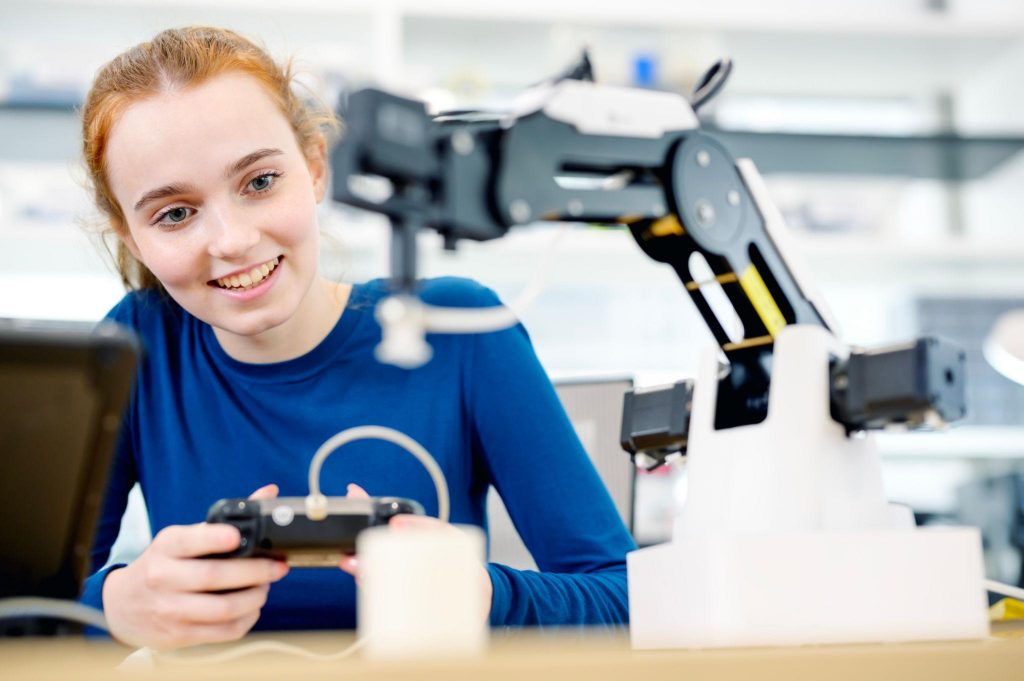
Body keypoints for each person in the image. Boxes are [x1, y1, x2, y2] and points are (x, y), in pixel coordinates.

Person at [78, 26, 635, 650]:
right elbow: (19, 606)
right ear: (133, 240)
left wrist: (488, 597)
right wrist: (114, 605)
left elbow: (626, 597)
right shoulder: (134, 346)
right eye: (174, 214)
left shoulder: (464, 333)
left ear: (315, 169)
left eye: (260, 182)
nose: (231, 241)